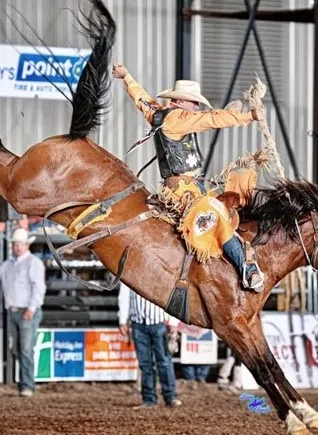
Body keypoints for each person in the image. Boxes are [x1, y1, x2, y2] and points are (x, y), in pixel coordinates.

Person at [112, 63, 266, 292]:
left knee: (236, 193)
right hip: (184, 191)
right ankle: (247, 268)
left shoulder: (159, 113)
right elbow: (211, 119)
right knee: (215, 216)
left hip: (191, 185)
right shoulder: (179, 119)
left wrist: (127, 77)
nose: (196, 107)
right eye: (194, 102)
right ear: (180, 101)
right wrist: (248, 116)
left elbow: (141, 98)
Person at [0, 228, 46, 397]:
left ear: (27, 245)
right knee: (19, 350)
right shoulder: (9, 264)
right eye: (15, 244)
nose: (17, 247)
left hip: (26, 311)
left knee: (25, 349)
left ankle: (27, 385)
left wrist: (31, 308)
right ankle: (25, 384)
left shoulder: (33, 263)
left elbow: (38, 288)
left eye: (20, 244)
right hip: (13, 311)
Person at [118, 283, 182, 408]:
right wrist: (122, 320)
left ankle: (170, 397)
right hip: (138, 324)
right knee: (145, 364)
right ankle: (149, 399)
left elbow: (171, 294)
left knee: (164, 361)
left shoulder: (158, 270)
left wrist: (173, 322)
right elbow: (124, 297)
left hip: (159, 322)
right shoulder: (129, 272)